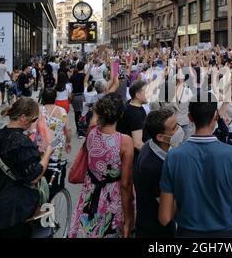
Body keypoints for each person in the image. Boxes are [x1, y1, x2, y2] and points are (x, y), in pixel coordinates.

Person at [159, 93, 232, 238]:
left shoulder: (173, 157)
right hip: (224, 234)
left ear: (190, 117)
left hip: (187, 232)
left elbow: (164, 217)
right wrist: (225, 191)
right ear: (216, 116)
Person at [0, 98, 54, 238]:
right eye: (33, 119)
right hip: (12, 216)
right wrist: (47, 153)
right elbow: (34, 176)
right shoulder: (23, 143)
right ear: (23, 118)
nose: (33, 123)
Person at [69, 93, 134, 238]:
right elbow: (126, 184)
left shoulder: (91, 132)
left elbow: (86, 150)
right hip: (112, 196)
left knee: (88, 230)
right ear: (120, 114)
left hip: (90, 192)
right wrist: (129, 218)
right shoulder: (125, 141)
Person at [134, 109, 182, 238]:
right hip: (157, 231)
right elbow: (166, 214)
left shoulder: (150, 145)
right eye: (174, 128)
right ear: (160, 137)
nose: (179, 129)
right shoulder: (155, 168)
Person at [35, 88, 72, 198]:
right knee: (53, 173)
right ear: (55, 98)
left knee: (39, 172)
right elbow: (68, 130)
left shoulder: (38, 111)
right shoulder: (62, 111)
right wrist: (68, 142)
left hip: (40, 149)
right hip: (56, 149)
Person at [117, 80, 149, 160]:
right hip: (133, 157)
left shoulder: (129, 103)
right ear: (137, 95)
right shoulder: (136, 114)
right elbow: (137, 144)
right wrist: (151, 156)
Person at [70, 62, 90, 137]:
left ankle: (78, 129)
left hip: (75, 97)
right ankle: (82, 130)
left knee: (76, 113)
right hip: (83, 96)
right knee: (83, 113)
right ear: (83, 68)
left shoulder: (73, 76)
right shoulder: (85, 76)